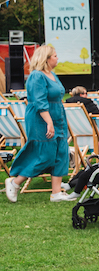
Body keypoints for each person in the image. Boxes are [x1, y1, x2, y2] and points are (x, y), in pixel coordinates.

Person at [4, 45, 78, 203]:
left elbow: (56, 96)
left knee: (61, 152)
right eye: (55, 56)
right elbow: (39, 101)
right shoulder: (36, 76)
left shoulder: (52, 74)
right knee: (44, 154)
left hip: (57, 116)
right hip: (41, 119)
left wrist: (56, 119)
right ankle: (14, 182)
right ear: (46, 58)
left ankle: (56, 193)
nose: (58, 58)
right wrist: (49, 121)